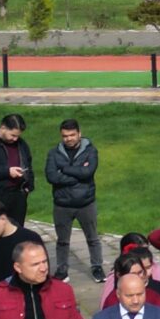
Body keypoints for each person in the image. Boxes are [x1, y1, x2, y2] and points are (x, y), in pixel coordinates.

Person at [46, 119, 106, 282]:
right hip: (62, 204)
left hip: (86, 203)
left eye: (72, 135)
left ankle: (97, 267)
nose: (69, 139)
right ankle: (62, 269)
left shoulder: (91, 151)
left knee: (93, 238)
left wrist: (64, 169)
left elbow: (88, 172)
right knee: (62, 241)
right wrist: (77, 176)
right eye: (65, 136)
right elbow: (51, 176)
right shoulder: (53, 153)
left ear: (79, 134)